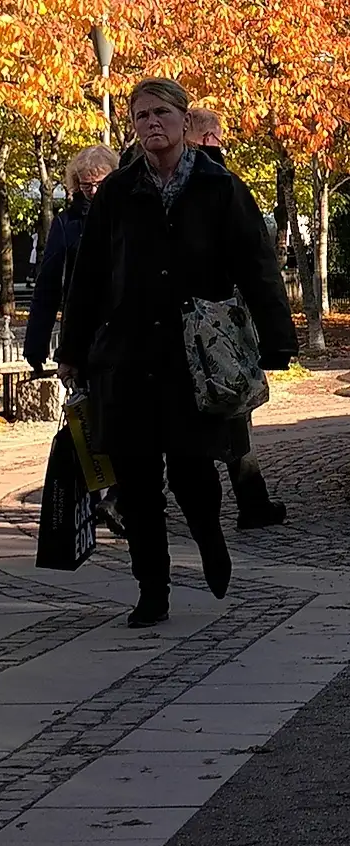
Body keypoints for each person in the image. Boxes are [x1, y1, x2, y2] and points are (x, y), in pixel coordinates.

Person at [57, 78, 298, 628]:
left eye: (161, 113)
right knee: (137, 481)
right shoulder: (117, 193)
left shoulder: (220, 187)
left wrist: (277, 339)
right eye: (141, 116)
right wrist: (73, 349)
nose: (151, 124)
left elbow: (256, 266)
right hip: (126, 356)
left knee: (193, 473)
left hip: (195, 359)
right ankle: (153, 589)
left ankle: (210, 538)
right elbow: (88, 277)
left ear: (185, 122)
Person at [186, 107, 286, 529]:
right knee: (232, 407)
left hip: (178, 323)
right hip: (218, 319)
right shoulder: (222, 183)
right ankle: (250, 500)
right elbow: (256, 262)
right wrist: (277, 336)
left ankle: (248, 499)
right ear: (209, 138)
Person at [25, 145, 124, 536]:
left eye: (98, 184)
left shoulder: (130, 213)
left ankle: (123, 495)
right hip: (85, 335)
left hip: (126, 331)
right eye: (85, 186)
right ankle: (107, 494)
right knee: (91, 418)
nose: (92, 192)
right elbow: (48, 285)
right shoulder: (66, 225)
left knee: (127, 415)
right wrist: (36, 344)